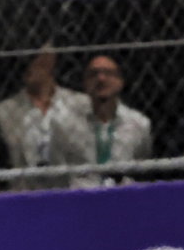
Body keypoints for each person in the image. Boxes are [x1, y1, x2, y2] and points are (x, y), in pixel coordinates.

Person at [0, 45, 90, 189]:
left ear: (50, 58)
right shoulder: (2, 112)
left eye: (34, 57)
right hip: (24, 194)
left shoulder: (82, 105)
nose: (28, 64)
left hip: (74, 191)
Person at [57, 54, 153, 186]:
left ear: (120, 81)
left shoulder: (139, 123)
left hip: (122, 195)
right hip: (81, 196)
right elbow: (58, 168)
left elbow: (142, 159)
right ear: (85, 83)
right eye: (93, 74)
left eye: (108, 73)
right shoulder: (67, 124)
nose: (101, 79)